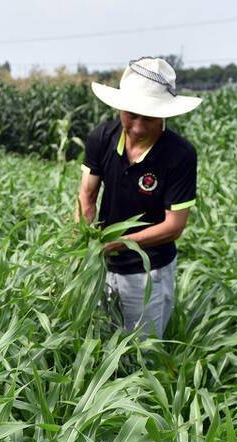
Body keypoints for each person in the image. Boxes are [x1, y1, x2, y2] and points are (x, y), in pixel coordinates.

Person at [77, 57, 201, 338]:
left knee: (141, 353)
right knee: (100, 343)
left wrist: (116, 244)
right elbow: (87, 193)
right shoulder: (102, 138)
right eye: (131, 115)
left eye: (149, 117)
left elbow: (174, 226)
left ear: (165, 113)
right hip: (101, 268)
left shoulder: (179, 155)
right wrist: (82, 240)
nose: (138, 126)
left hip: (148, 273)